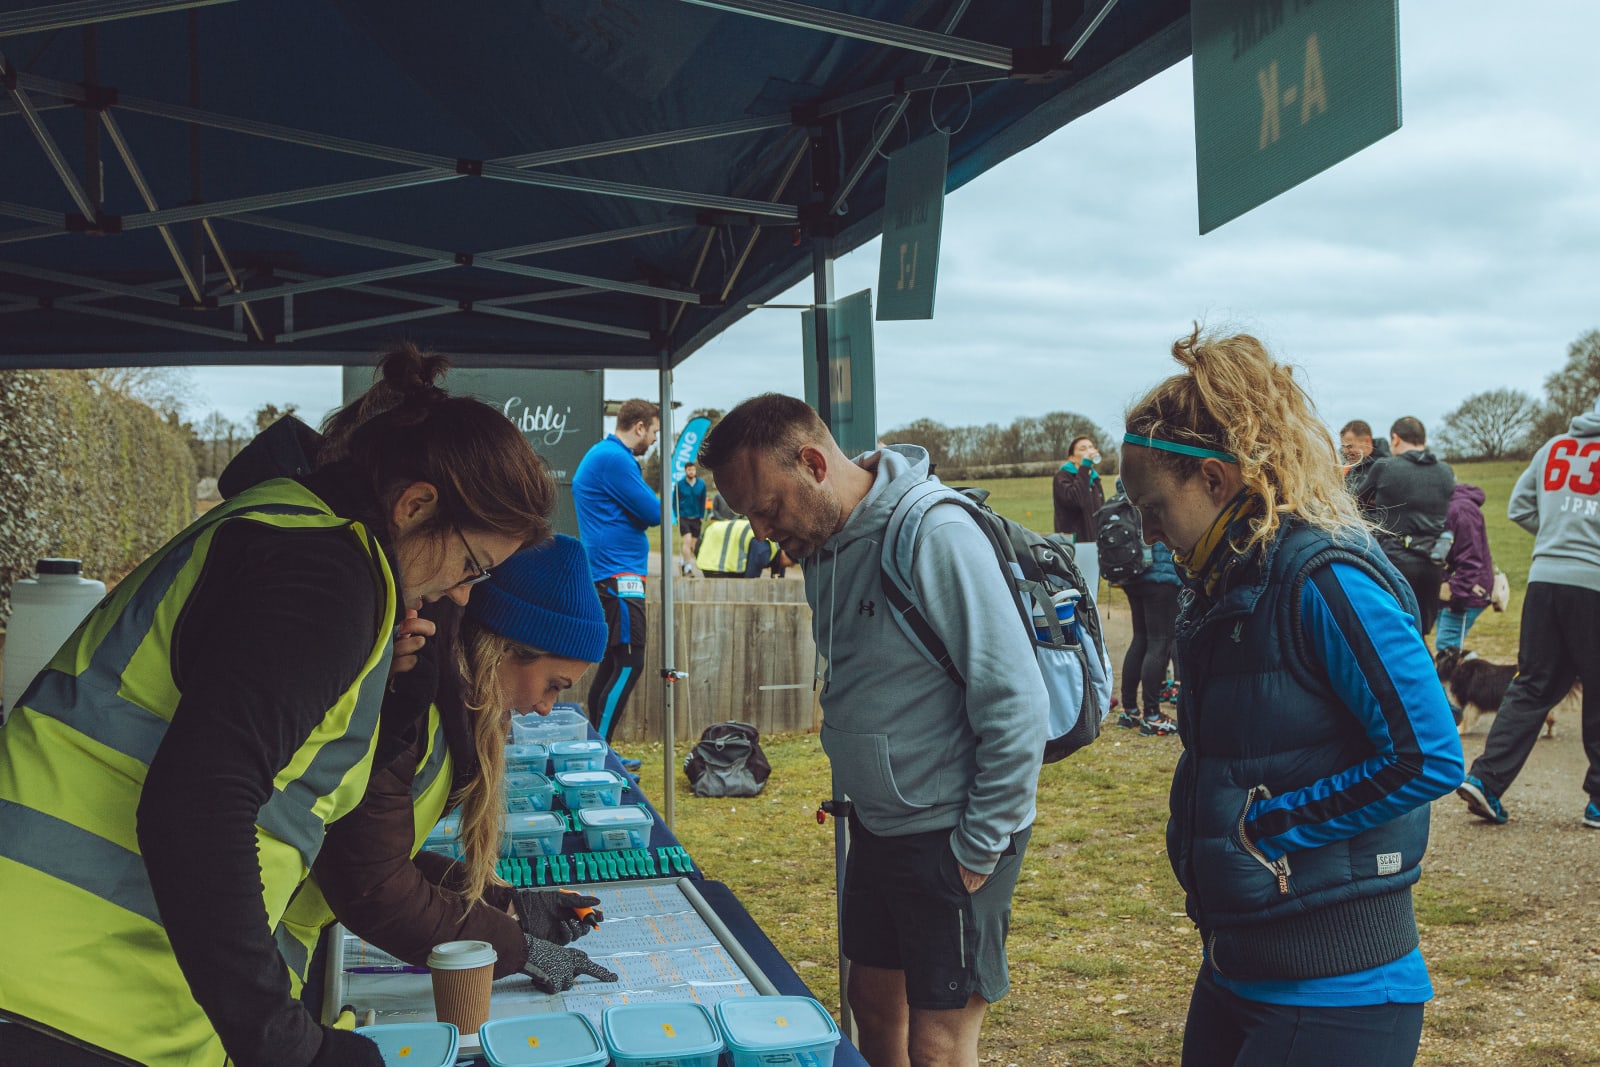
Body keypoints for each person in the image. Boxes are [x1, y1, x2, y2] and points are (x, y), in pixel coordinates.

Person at [0, 346, 554, 1067]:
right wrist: (289, 1046)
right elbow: (199, 804)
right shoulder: (328, 572)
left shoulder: (293, 526)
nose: (459, 592)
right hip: (70, 990)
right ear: (414, 504)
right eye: (471, 564)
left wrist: (395, 689)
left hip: (82, 981)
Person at [1120, 329, 1463, 1067]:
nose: (1147, 533)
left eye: (1153, 508)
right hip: (1237, 965)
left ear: (1215, 481)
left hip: (1342, 992)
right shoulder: (1224, 579)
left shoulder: (1322, 577)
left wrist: (1271, 825)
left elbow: (1430, 756)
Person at [700, 394, 1045, 1067]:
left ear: (812, 462)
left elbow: (1016, 700)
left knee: (938, 1044)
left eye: (768, 509)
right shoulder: (823, 544)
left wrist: (977, 849)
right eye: (750, 518)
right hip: (881, 826)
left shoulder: (933, 533)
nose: (765, 533)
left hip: (951, 829)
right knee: (872, 1004)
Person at [278, 536, 618, 1008]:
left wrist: (508, 905)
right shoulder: (406, 707)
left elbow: (383, 850)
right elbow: (371, 882)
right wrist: (517, 949)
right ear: (502, 649)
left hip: (283, 935)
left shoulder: (442, 709)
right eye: (552, 685)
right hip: (247, 941)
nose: (545, 708)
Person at [1457, 395, 1600, 830]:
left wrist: (1558, 536)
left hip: (1544, 581)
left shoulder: (1553, 446)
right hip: (1593, 582)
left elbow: (1520, 507)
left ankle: (1486, 780)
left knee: (1533, 684)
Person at [572, 398, 660, 743]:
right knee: (629, 663)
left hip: (615, 574)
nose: (653, 441)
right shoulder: (615, 459)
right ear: (638, 427)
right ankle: (601, 753)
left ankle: (596, 747)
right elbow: (653, 513)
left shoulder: (607, 457)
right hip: (618, 577)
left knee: (613, 663)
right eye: (653, 432)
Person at [1356, 417, 1456, 636]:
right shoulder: (1445, 471)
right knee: (1421, 634)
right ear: (1424, 439)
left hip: (1396, 561)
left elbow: (1355, 502)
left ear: (1395, 438)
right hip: (1433, 563)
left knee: (1393, 631)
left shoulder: (1385, 466)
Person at [1108, 497, 1182, 737]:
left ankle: (1130, 710)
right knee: (1159, 642)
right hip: (1160, 574)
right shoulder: (1158, 485)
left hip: (1134, 570)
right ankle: (1152, 715)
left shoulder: (1130, 488)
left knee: (1140, 638)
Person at [1436, 482, 1495, 650]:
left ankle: (1480, 677)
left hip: (1466, 591)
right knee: (1446, 646)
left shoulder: (1461, 510)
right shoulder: (1445, 507)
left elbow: (1471, 559)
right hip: (1451, 590)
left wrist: (1457, 594)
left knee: (1448, 648)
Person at [1052, 435, 1106, 593]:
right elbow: (1077, 500)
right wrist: (1085, 467)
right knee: (1076, 588)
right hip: (1074, 542)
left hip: (1093, 542)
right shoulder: (1062, 476)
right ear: (1072, 457)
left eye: (1090, 447)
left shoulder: (1094, 479)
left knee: (1092, 588)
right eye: (1082, 449)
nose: (1088, 451)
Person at [695, 515, 782, 578]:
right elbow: (751, 576)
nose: (790, 566)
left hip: (713, 562)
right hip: (717, 566)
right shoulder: (764, 547)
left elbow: (778, 569)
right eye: (790, 564)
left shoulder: (771, 544)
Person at [675, 461, 709, 575]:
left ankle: (683, 562)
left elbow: (703, 500)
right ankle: (689, 567)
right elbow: (674, 501)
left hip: (696, 517)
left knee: (692, 545)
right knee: (687, 540)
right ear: (686, 471)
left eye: (693, 470)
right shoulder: (679, 484)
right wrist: (677, 515)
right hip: (684, 516)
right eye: (689, 470)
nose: (691, 472)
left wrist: (701, 515)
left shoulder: (701, 484)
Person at [1339, 419, 1387, 488]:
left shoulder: (1385, 466)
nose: (1345, 451)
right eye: (1343, 447)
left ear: (1367, 440)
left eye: (1350, 446)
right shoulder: (1343, 465)